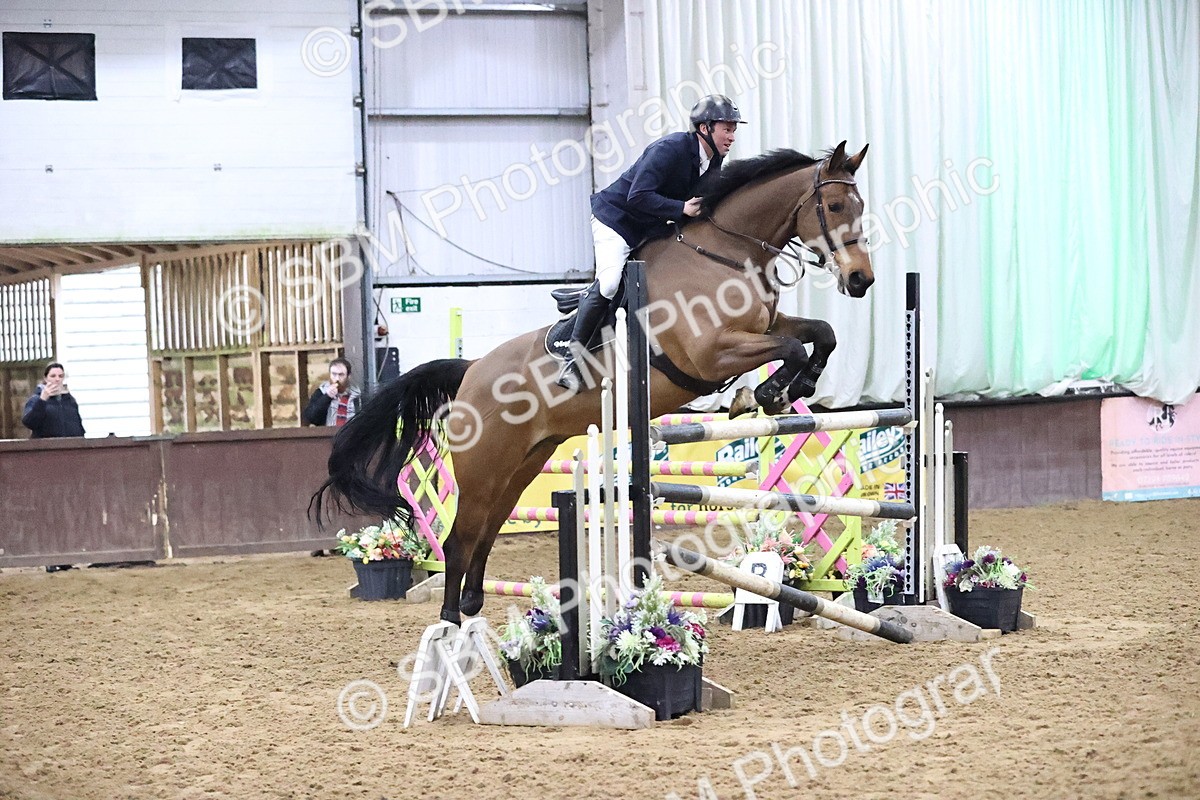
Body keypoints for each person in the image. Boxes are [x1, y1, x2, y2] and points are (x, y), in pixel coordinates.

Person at [556, 94, 747, 390]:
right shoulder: (669, 149)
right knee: (609, 283)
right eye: (727, 129)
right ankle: (572, 360)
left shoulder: (714, 159)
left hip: (652, 225)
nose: (732, 136)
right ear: (705, 128)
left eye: (734, 130)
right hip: (617, 221)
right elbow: (638, 196)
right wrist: (681, 208)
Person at [22, 362, 85, 438]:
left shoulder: (69, 400)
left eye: (60, 376)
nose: (57, 379)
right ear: (45, 378)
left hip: (70, 444)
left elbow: (79, 427)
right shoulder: (35, 399)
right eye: (53, 376)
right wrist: (42, 400)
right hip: (46, 444)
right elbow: (29, 422)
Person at [303, 358, 360, 427]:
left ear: (348, 376)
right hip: (328, 431)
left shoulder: (357, 396)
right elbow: (310, 418)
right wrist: (327, 397)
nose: (337, 378)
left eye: (341, 375)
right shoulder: (321, 392)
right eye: (334, 374)